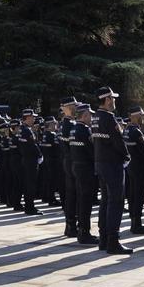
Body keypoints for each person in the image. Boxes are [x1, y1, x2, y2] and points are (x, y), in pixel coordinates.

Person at [91, 87, 132, 254]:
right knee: (116, 202)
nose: (114, 101)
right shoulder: (108, 118)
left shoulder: (95, 117)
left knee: (106, 201)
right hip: (112, 165)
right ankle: (113, 241)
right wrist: (126, 156)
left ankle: (103, 239)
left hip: (100, 163)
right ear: (107, 99)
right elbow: (118, 142)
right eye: (112, 98)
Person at [70, 103, 99, 245]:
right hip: (86, 169)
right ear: (85, 115)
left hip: (76, 166)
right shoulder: (85, 131)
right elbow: (92, 151)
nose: (92, 117)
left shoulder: (73, 129)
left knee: (81, 200)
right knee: (86, 202)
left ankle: (81, 230)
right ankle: (84, 233)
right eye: (90, 115)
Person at [124, 106, 144, 235]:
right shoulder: (137, 132)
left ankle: (134, 221)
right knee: (139, 196)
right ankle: (137, 224)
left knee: (132, 195)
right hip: (139, 167)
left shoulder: (126, 130)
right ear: (135, 116)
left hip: (130, 166)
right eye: (141, 115)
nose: (143, 118)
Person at [16, 109, 44, 215]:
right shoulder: (27, 130)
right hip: (30, 161)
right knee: (30, 185)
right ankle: (30, 207)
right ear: (27, 118)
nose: (34, 119)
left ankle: (29, 206)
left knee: (28, 184)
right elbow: (33, 145)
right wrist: (40, 155)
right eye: (32, 117)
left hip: (25, 159)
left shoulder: (20, 130)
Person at [58, 97, 79, 237]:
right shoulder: (69, 124)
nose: (76, 108)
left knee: (72, 194)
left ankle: (70, 225)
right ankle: (71, 225)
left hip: (68, 160)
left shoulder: (67, 123)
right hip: (71, 160)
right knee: (73, 194)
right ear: (67, 107)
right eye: (74, 105)